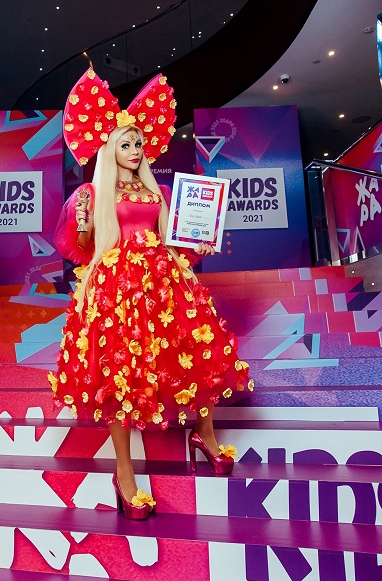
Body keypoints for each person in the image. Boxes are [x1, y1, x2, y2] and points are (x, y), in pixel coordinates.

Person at [48, 68, 253, 520]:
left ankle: (206, 437)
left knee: (195, 355)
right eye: (126, 144)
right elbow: (82, 247)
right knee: (120, 375)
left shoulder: (157, 189)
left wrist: (196, 244)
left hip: (163, 281)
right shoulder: (93, 193)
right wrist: (83, 224)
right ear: (110, 149)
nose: (135, 149)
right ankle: (124, 474)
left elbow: (174, 239)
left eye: (138, 143)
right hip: (118, 287)